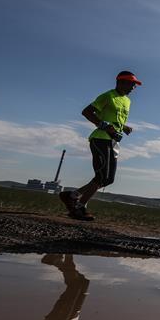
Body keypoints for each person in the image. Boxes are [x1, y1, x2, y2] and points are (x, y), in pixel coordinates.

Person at [58, 71, 142, 220]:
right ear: (120, 82)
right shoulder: (107, 96)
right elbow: (87, 112)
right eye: (131, 83)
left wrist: (124, 127)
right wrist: (102, 125)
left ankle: (71, 196)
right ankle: (78, 208)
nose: (133, 87)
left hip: (114, 141)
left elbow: (114, 120)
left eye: (134, 85)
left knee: (108, 179)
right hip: (100, 139)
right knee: (101, 176)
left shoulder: (127, 101)